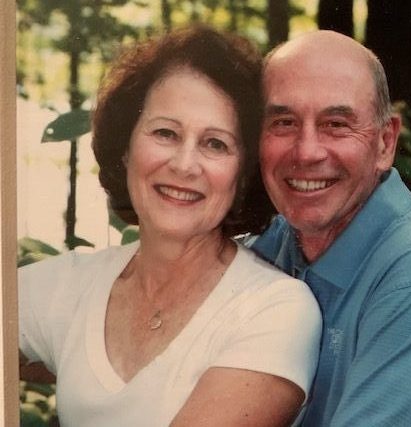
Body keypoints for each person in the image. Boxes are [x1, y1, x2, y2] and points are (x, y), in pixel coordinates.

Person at [18, 25, 322, 427]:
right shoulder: (76, 284)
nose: (183, 164)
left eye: (215, 144)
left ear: (244, 174)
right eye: (165, 133)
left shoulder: (274, 308)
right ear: (126, 149)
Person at [249, 30, 411, 426]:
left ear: (385, 143)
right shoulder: (270, 245)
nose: (307, 151)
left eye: (335, 124)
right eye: (284, 122)